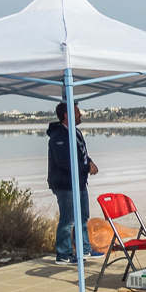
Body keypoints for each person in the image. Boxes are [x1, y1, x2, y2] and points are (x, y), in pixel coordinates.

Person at [47, 103, 102, 265]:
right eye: (77, 112)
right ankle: (63, 254)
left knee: (83, 217)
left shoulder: (75, 133)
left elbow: (81, 155)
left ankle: (84, 249)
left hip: (79, 182)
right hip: (65, 184)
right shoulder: (58, 136)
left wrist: (90, 163)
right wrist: (86, 167)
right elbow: (64, 162)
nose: (81, 115)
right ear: (67, 114)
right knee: (69, 218)